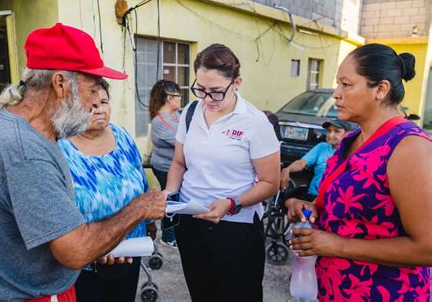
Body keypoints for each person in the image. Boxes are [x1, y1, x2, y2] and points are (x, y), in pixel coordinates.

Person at [0, 23, 166, 301]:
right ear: (60, 84)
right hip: (30, 295)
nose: (96, 102)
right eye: (92, 90)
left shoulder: (16, 127)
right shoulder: (25, 149)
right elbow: (75, 251)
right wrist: (138, 209)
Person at [287, 43, 431, 301]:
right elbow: (346, 211)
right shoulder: (350, 140)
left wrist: (336, 245)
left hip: (385, 293)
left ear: (381, 89)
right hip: (332, 289)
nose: (336, 94)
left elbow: (427, 247)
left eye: (346, 84)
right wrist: (308, 208)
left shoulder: (408, 148)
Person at [165, 44, 281, 302]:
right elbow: (179, 162)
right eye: (201, 89)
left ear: (236, 82)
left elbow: (270, 182)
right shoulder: (191, 112)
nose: (207, 99)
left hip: (235, 228)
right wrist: (170, 194)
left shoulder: (254, 121)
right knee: (202, 293)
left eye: (216, 92)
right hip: (191, 220)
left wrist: (232, 203)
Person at [57, 79, 156, 302]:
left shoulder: (122, 136)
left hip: (131, 250)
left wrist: (148, 222)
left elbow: (139, 179)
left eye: (103, 102)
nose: (99, 109)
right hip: (84, 264)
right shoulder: (60, 148)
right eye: (90, 105)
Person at [280, 118, 353, 204]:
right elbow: (301, 163)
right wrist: (287, 170)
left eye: (336, 131)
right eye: (329, 131)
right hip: (312, 195)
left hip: (333, 198)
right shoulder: (322, 147)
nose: (330, 135)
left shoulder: (351, 152)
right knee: (289, 202)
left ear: (347, 134)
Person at [149, 79, 182, 249]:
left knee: (178, 200)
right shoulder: (159, 122)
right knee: (171, 201)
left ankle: (176, 232)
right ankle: (168, 237)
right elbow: (182, 142)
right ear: (169, 97)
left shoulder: (176, 115)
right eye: (178, 96)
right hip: (165, 168)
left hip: (178, 167)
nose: (180, 99)